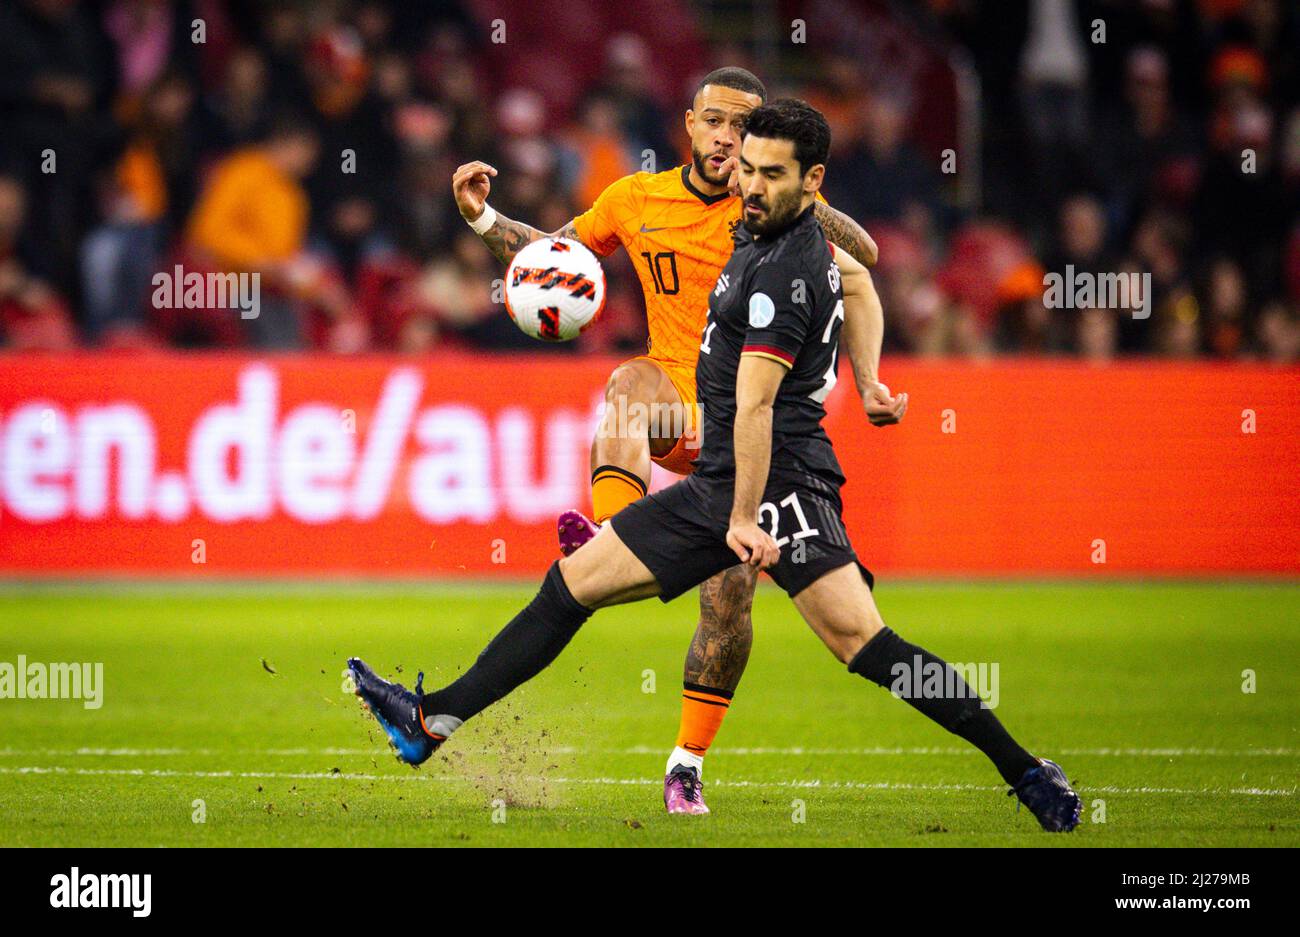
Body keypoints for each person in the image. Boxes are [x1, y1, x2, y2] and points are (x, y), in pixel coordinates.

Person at [352, 100, 1081, 833]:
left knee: (866, 645)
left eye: (770, 173)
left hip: (781, 483)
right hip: (720, 476)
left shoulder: (783, 274)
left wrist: (742, 518)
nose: (752, 183)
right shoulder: (754, 225)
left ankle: (1022, 767)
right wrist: (867, 380)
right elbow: (857, 280)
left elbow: (759, 406)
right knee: (571, 586)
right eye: (748, 169)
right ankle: (432, 720)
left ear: (812, 183)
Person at [449, 67, 901, 814]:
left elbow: (868, 259)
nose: (727, 137)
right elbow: (552, 259)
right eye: (715, 121)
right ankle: (600, 533)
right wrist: (483, 219)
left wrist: (812, 204)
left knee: (728, 606)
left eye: (744, 126)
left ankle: (686, 762)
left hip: (743, 433)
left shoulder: (777, 206)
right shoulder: (635, 198)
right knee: (627, 386)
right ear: (687, 126)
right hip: (670, 404)